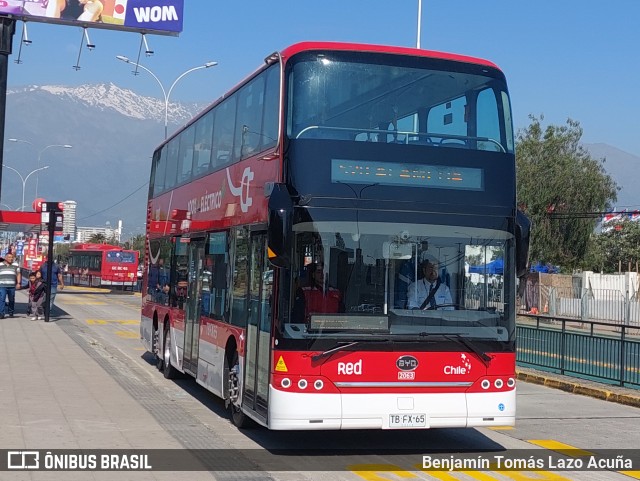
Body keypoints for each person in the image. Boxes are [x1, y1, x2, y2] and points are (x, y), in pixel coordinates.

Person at [0, 252, 21, 319]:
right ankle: (1, 313)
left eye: (12, 257)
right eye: (9, 257)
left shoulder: (15, 265)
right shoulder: (0, 264)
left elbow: (18, 274)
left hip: (11, 286)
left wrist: (18, 283)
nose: (11, 258)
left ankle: (11, 312)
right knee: (2, 299)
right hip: (2, 285)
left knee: (11, 299)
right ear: (5, 258)